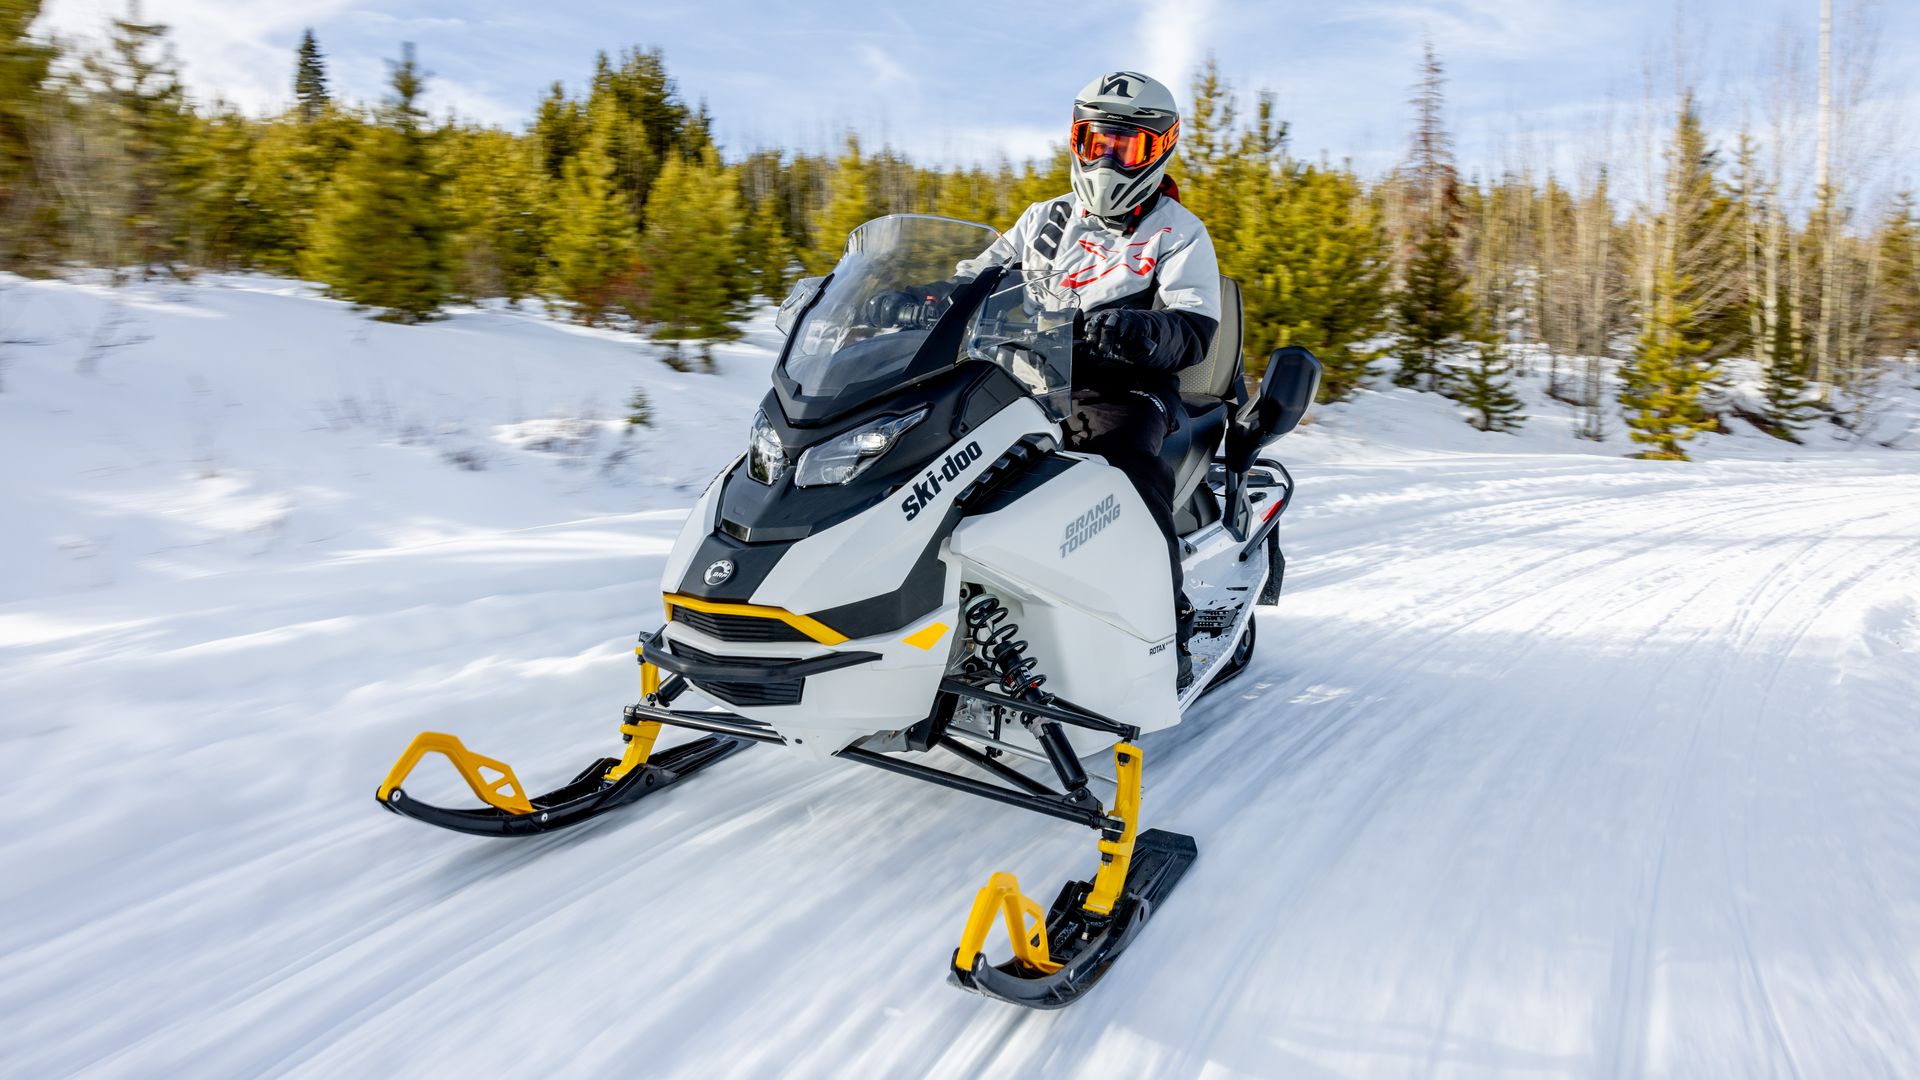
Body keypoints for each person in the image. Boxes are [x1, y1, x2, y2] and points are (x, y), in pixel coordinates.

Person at [911, 71, 1222, 688]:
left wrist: (1145, 331)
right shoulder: (1043, 220)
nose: (1107, 158)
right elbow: (977, 277)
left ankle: (1167, 621)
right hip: (1018, 379)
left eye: (1125, 147)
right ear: (1076, 140)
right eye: (1095, 140)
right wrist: (920, 300)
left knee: (1125, 470)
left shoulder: (1177, 231)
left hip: (1119, 388)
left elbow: (1194, 328)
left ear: (1159, 149)